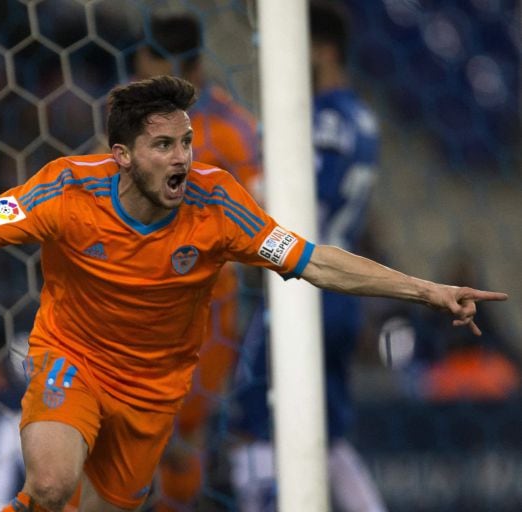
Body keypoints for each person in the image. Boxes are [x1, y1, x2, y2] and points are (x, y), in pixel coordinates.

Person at [0, 75, 506, 512]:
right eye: (165, 146)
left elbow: (316, 262)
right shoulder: (66, 190)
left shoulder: (219, 207)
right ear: (121, 156)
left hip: (157, 390)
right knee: (53, 483)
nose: (183, 157)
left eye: (186, 142)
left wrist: (426, 290)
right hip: (72, 359)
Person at [228, 2, 390, 511]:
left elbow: (297, 201)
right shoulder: (363, 119)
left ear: (320, 49)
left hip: (303, 288)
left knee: (253, 419)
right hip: (342, 296)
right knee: (328, 433)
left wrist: (247, 187)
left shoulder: (320, 120)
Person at [131, 9, 260, 511]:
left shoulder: (231, 131)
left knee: (180, 436)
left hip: (203, 307)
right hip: (126, 295)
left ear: (194, 74)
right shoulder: (125, 119)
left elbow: (260, 214)